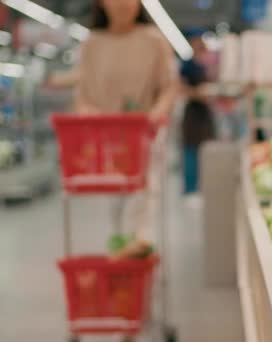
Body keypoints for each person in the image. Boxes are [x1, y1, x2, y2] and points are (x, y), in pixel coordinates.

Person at [74, 0, 179, 243]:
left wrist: (157, 112)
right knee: (114, 202)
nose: (124, 4)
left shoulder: (154, 40)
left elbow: (169, 87)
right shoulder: (92, 44)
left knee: (144, 197)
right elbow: (82, 93)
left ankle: (139, 252)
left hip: (146, 135)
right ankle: (122, 252)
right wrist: (86, 113)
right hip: (106, 140)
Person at [180, 31, 216, 195]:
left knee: (206, 150)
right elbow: (179, 87)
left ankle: (203, 185)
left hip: (205, 113)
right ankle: (190, 188)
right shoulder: (187, 65)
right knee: (191, 152)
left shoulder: (207, 65)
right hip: (193, 113)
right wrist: (196, 93)